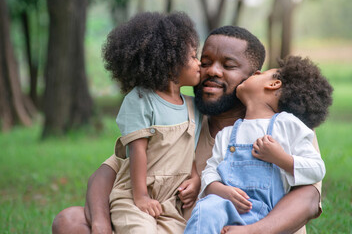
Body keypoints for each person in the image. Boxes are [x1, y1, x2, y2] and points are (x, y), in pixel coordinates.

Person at [52, 26, 322, 234]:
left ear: (254, 77)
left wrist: (251, 231)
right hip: (182, 226)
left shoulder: (286, 127)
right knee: (71, 221)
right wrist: (101, 223)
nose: (211, 71)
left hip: (255, 229)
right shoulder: (183, 114)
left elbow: (308, 199)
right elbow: (107, 172)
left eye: (228, 66)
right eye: (204, 61)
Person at [184, 56, 333, 234]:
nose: (255, 73)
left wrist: (281, 159)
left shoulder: (288, 125)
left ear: (274, 84)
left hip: (267, 215)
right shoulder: (228, 134)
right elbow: (211, 170)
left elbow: (317, 169)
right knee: (205, 209)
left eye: (262, 73)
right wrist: (218, 188)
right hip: (225, 208)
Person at [98, 11, 203, 234]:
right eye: (193, 56)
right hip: (134, 196)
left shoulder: (194, 106)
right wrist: (141, 196)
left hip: (171, 203)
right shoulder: (140, 100)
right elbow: (137, 151)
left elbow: (189, 151)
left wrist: (195, 179)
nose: (199, 63)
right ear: (170, 60)